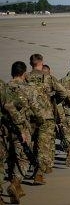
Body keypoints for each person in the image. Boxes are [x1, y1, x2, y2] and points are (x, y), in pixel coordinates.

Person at [26, 54, 70, 184]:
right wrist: (52, 102)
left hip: (28, 116)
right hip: (46, 116)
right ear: (41, 62)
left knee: (29, 144)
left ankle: (22, 173)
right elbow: (63, 93)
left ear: (31, 63)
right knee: (44, 146)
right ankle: (39, 173)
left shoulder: (25, 77)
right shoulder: (48, 78)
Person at [3, 63, 36, 204]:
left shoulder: (4, 87)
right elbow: (36, 110)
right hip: (20, 128)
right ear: (24, 73)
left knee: (8, 158)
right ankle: (15, 184)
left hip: (4, 129)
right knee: (23, 157)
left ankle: (11, 191)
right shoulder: (28, 89)